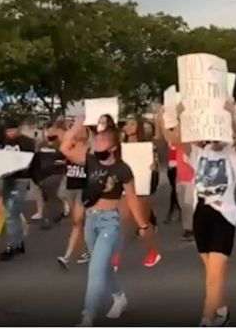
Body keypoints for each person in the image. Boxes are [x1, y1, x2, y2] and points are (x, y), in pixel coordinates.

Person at [60, 117, 152, 326]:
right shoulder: (90, 160)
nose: (97, 143)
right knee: (103, 266)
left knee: (95, 268)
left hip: (110, 222)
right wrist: (77, 125)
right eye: (96, 139)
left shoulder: (122, 169)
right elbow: (65, 148)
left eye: (102, 140)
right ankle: (119, 297)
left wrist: (142, 225)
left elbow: (132, 198)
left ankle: (88, 316)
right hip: (91, 221)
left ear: (112, 146)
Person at [173, 100, 236, 326]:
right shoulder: (199, 151)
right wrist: (180, 116)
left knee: (214, 274)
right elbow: (177, 141)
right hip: (201, 213)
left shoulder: (233, 155)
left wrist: (232, 114)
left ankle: (206, 319)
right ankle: (221, 306)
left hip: (223, 214)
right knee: (211, 271)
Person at [115, 115, 161, 268]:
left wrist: (153, 166)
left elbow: (156, 165)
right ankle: (114, 257)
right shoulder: (120, 147)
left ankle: (152, 251)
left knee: (143, 225)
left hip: (141, 188)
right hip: (125, 188)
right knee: (120, 222)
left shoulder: (147, 146)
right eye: (127, 124)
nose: (128, 127)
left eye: (132, 124)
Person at [0, 118, 36, 261]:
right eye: (8, 130)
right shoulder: (5, 142)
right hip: (7, 180)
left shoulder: (26, 142)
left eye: (13, 130)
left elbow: (27, 162)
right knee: (11, 213)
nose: (10, 133)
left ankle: (12, 245)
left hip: (19, 179)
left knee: (11, 214)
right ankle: (18, 243)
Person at [157, 107, 195, 241]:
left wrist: (180, 116)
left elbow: (176, 136)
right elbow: (168, 136)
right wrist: (161, 120)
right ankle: (190, 228)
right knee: (183, 205)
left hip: (192, 179)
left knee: (188, 205)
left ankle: (189, 230)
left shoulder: (190, 142)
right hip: (180, 177)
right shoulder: (177, 142)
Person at [57, 125, 91, 268]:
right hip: (71, 187)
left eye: (82, 129)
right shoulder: (70, 146)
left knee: (78, 221)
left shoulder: (90, 149)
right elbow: (62, 137)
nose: (78, 131)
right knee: (78, 222)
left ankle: (67, 256)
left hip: (84, 188)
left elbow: (81, 160)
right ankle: (86, 250)